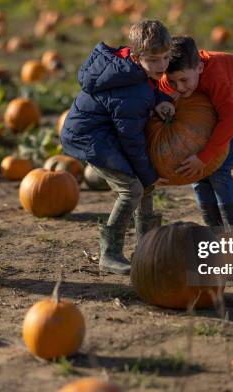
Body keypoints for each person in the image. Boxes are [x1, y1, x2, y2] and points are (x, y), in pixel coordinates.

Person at [60, 19, 172, 275]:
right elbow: (131, 140)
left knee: (144, 186)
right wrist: (149, 176)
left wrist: (161, 99)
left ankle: (147, 249)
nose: (162, 65)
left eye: (166, 57)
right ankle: (109, 254)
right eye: (154, 60)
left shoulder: (127, 69)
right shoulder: (130, 91)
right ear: (136, 55)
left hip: (103, 132)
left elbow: (148, 90)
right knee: (132, 189)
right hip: (90, 137)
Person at [157, 35, 233, 227]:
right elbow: (159, 93)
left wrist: (204, 157)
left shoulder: (217, 77)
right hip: (211, 111)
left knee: (218, 169)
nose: (180, 87)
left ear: (199, 68)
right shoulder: (172, 77)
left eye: (184, 80)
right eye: (174, 82)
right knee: (198, 175)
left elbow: (230, 120)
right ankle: (215, 230)